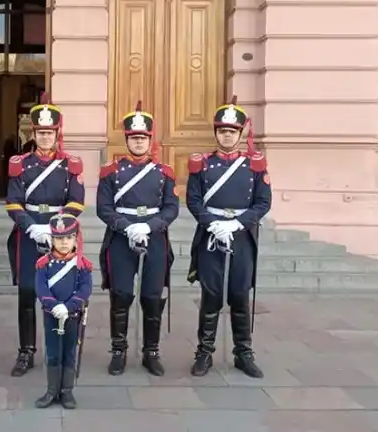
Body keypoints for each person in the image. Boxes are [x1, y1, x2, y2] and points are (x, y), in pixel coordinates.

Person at [185, 98, 272, 379]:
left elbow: (263, 202)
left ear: (240, 134)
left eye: (232, 131)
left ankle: (243, 353)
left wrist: (236, 224)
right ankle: (204, 352)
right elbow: (194, 200)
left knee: (239, 295)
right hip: (212, 236)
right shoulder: (202, 164)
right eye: (222, 130)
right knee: (211, 295)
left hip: (242, 236)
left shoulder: (255, 165)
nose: (227, 135)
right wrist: (213, 223)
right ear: (216, 133)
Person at [5, 92, 85, 377]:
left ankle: (60, 349)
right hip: (29, 235)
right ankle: (26, 351)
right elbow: (13, 201)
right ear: (33, 132)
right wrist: (31, 226)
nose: (45, 137)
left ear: (57, 133)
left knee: (60, 295)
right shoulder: (20, 164)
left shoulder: (69, 165)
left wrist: (55, 228)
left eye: (50, 132)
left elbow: (76, 201)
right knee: (27, 293)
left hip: (60, 238)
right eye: (40, 132)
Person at [97, 101, 179, 376]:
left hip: (154, 237)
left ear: (150, 140)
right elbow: (103, 207)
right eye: (134, 137)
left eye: (143, 138)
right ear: (127, 139)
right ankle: (118, 350)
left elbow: (171, 207)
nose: (139, 142)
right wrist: (126, 226)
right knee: (121, 294)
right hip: (122, 237)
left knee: (152, 296)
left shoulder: (164, 172)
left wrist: (151, 226)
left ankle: (151, 352)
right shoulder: (111, 172)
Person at [33, 213, 93, 410]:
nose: (64, 243)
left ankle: (66, 391)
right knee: (52, 353)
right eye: (59, 239)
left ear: (76, 238)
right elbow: (41, 288)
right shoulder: (44, 263)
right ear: (52, 240)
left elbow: (85, 289)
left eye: (68, 238)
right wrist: (53, 305)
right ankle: (51, 391)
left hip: (72, 316)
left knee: (69, 352)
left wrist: (68, 307)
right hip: (51, 316)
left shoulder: (82, 264)